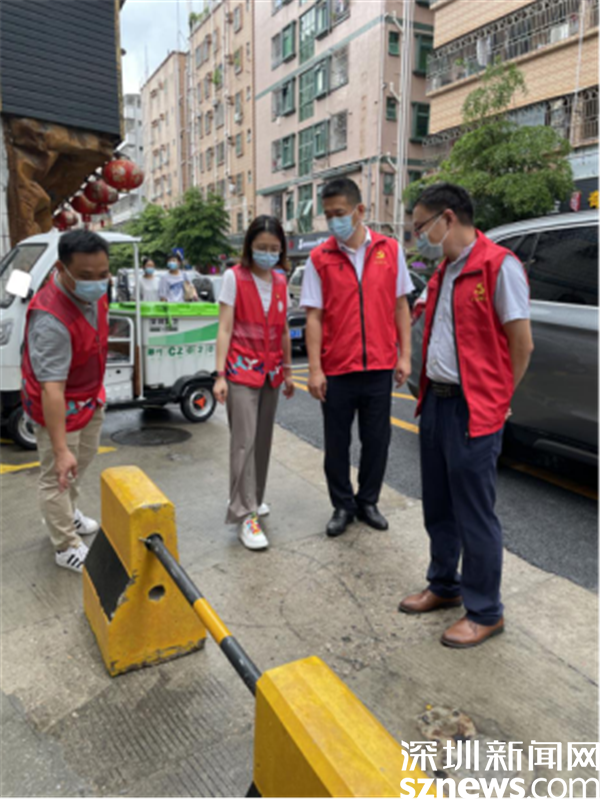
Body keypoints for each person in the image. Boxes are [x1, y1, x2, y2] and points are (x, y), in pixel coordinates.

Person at [399, 183, 534, 648]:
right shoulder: (445, 271)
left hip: (473, 407)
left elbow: (522, 344)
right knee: (438, 505)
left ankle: (485, 611)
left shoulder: (499, 266)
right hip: (436, 402)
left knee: (474, 512)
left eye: (421, 226)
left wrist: (499, 396)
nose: (418, 236)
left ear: (448, 218)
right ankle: (444, 585)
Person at [301, 177, 414, 537]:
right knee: (336, 444)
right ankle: (342, 505)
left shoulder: (390, 250)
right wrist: (315, 370)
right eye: (328, 215)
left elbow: (400, 305)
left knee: (377, 441)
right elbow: (314, 317)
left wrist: (405, 356)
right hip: (337, 369)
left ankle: (368, 501)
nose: (334, 221)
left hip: (379, 366)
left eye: (339, 213)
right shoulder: (319, 258)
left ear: (359, 210)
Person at [21, 230, 111, 573]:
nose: (97, 283)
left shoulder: (95, 292)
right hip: (58, 406)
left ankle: (67, 512)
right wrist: (60, 450)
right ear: (61, 268)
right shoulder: (50, 319)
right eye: (86, 276)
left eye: (103, 273)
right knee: (57, 475)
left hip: (89, 397)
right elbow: (52, 390)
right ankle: (65, 545)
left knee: (80, 462)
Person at [214, 216, 294, 551]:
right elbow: (225, 328)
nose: (268, 254)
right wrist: (219, 375)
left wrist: (288, 370)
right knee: (243, 443)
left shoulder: (281, 280)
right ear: (249, 246)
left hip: (271, 372)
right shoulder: (234, 277)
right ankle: (244, 513)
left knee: (262, 441)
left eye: (274, 248)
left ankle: (254, 499)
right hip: (240, 372)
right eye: (262, 247)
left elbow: (284, 329)